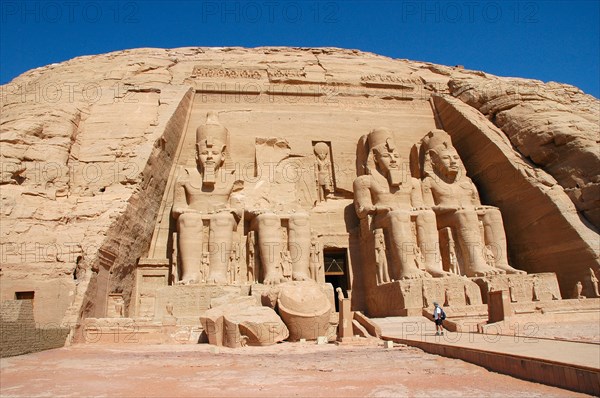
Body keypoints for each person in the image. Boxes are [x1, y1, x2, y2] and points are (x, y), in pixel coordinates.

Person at [353, 128, 448, 280]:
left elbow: (419, 204)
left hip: (402, 214)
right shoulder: (365, 181)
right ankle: (407, 268)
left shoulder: (413, 182)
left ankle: (432, 264)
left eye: (396, 156)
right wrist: (379, 207)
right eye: (386, 155)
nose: (392, 159)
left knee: (427, 215)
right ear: (375, 158)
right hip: (381, 218)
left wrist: (420, 208)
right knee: (399, 215)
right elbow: (361, 210)